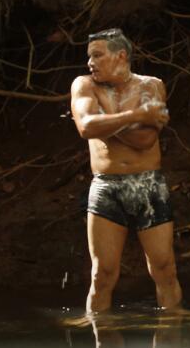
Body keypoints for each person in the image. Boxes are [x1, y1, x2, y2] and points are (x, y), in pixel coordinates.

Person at [70, 28, 183, 313]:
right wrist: (136, 115)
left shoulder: (151, 85)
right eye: (89, 56)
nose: (90, 62)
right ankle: (101, 336)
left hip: (148, 183)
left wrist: (103, 121)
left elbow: (145, 140)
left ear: (120, 55)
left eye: (97, 55)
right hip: (107, 185)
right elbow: (85, 127)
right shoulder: (84, 85)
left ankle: (173, 328)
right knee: (102, 274)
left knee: (164, 267)